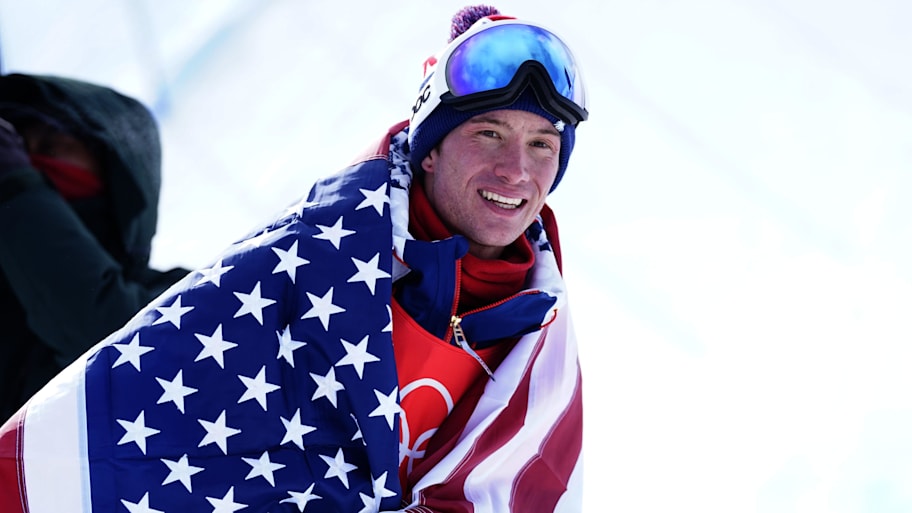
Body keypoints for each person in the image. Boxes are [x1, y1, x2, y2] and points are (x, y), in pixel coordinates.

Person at [0, 5, 587, 512]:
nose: (516, 170)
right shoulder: (293, 268)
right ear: (429, 150)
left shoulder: (540, 352)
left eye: (542, 145)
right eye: (488, 133)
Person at [0, 74, 190, 420]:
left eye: (48, 147)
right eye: (16, 149)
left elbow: (105, 339)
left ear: (116, 175)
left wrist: (15, 189)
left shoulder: (172, 300)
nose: (27, 164)